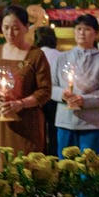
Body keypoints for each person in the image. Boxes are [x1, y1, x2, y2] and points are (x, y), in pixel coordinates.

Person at [0, 5, 52, 162]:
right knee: (0, 166)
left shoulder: (36, 55)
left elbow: (44, 91)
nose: (9, 33)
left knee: (25, 168)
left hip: (26, 121)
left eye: (15, 28)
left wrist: (21, 103)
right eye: (5, 28)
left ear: (26, 28)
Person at [50, 14, 99, 155]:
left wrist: (84, 100)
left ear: (96, 33)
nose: (82, 33)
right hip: (65, 121)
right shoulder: (61, 58)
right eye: (78, 29)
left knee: (88, 167)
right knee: (65, 166)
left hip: (92, 123)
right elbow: (50, 86)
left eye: (86, 29)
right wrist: (62, 94)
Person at [34, 25, 61, 155]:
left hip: (37, 97)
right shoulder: (60, 55)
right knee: (53, 129)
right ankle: (53, 155)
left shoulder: (34, 55)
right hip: (54, 98)